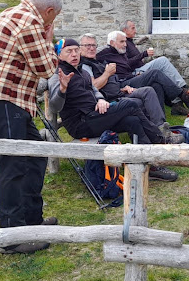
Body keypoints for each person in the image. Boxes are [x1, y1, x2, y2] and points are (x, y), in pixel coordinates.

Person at [0, 0, 61, 255]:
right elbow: (47, 68)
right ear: (49, 11)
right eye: (53, 18)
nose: (51, 23)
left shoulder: (10, 12)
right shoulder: (30, 22)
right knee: (13, 164)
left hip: (8, 100)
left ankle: (31, 221)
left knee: (35, 156)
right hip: (5, 100)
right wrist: (49, 40)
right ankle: (11, 237)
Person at [48, 38, 180, 181]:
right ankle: (161, 140)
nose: (74, 54)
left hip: (94, 115)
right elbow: (55, 107)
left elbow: (94, 90)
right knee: (130, 104)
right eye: (69, 51)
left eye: (76, 50)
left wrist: (100, 99)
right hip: (80, 124)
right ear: (59, 55)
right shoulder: (58, 76)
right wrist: (62, 89)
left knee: (133, 121)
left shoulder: (82, 72)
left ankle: (150, 166)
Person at [78, 33, 173, 131]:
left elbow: (111, 83)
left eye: (94, 45)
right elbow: (94, 86)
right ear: (80, 48)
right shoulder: (84, 66)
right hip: (109, 101)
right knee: (152, 78)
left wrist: (122, 88)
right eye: (87, 45)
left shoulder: (97, 61)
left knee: (151, 88)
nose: (91, 48)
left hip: (120, 90)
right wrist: (107, 73)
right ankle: (159, 127)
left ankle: (160, 126)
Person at [97, 31, 189, 113]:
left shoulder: (121, 53)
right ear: (112, 43)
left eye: (125, 41)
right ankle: (184, 95)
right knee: (155, 73)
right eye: (122, 42)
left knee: (156, 85)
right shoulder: (105, 53)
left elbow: (125, 68)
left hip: (131, 77)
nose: (125, 44)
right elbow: (92, 55)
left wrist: (136, 74)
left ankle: (161, 120)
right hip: (123, 84)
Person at [120, 19, 188, 89]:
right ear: (125, 30)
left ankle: (177, 91)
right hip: (136, 72)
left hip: (141, 68)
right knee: (162, 61)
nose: (135, 31)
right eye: (133, 28)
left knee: (164, 68)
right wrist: (144, 54)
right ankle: (182, 87)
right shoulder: (123, 44)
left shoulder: (130, 42)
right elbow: (126, 63)